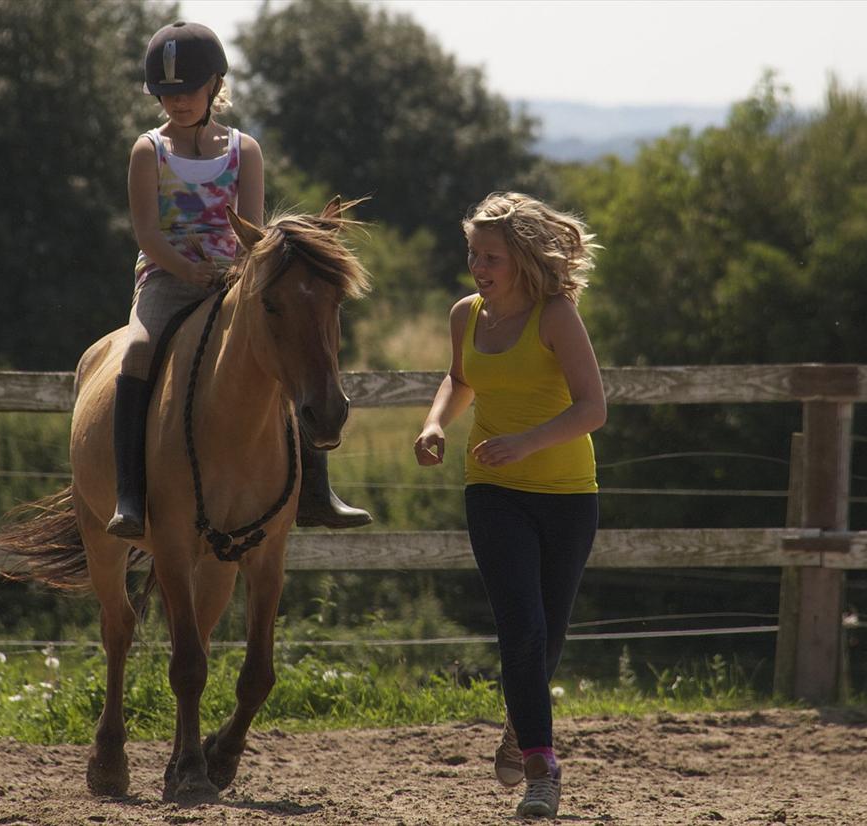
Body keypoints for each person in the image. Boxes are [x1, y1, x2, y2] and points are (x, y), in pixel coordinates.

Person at [107, 20, 371, 538]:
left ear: (214, 85)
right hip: (166, 278)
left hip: (235, 280)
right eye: (165, 93)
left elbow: (253, 230)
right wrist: (187, 269)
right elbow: (146, 233)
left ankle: (316, 490)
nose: (176, 102)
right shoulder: (149, 151)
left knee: (284, 351)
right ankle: (130, 494)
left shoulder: (244, 150)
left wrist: (235, 272)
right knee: (138, 350)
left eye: (186, 90)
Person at [413, 192, 606, 818]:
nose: (478, 266)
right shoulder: (465, 314)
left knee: (546, 638)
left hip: (568, 497)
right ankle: (542, 768)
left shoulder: (556, 315)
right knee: (521, 631)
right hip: (492, 492)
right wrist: (436, 423)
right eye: (473, 253)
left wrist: (525, 442)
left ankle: (520, 725)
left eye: (491, 256)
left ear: (522, 259)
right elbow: (461, 377)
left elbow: (592, 408)